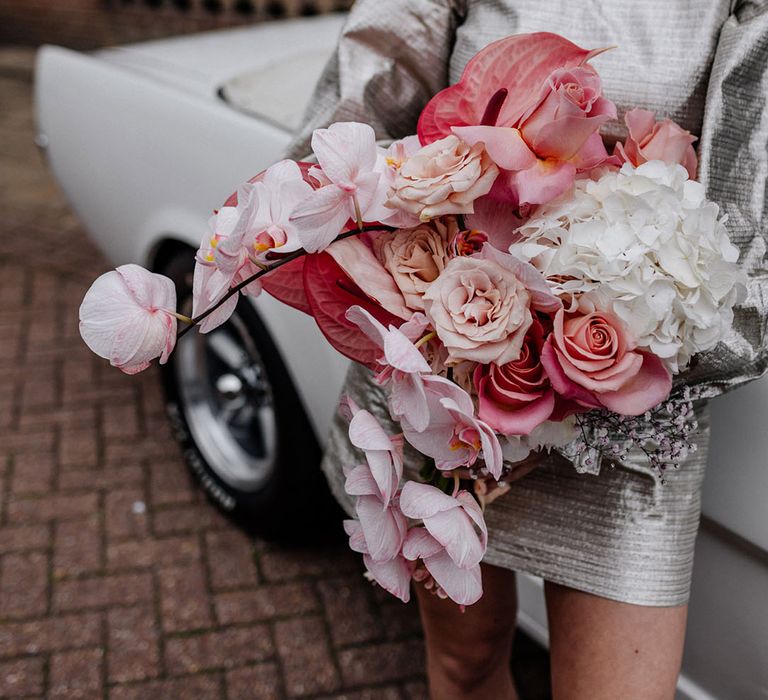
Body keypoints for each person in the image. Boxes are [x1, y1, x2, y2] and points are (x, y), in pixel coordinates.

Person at [287, 1, 768, 698]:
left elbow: (751, 253)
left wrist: (590, 351)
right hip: (455, 379)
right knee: (466, 663)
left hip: (629, 413)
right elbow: (355, 115)